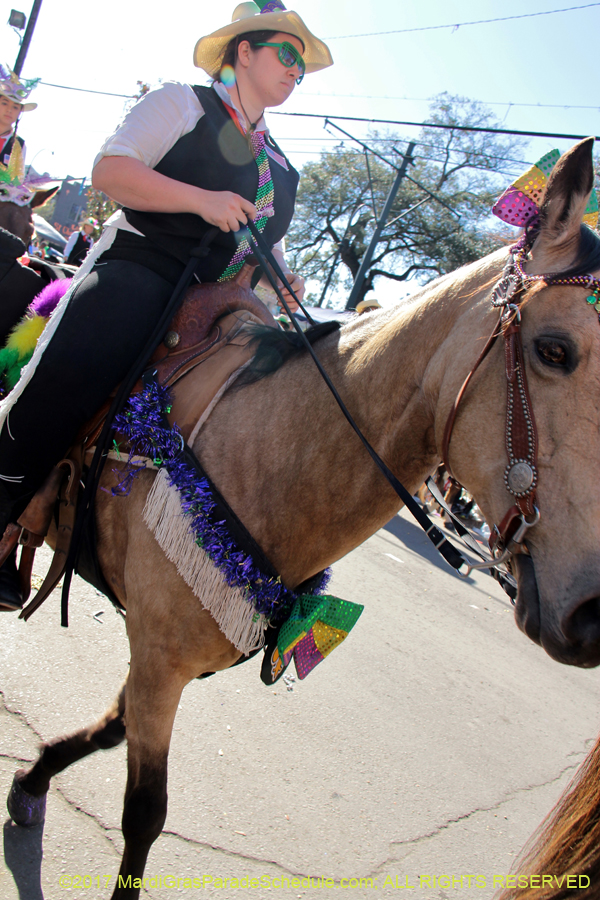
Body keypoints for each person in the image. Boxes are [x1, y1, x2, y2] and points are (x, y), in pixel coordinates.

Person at [0, 0, 333, 610]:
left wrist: (283, 280)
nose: (296, 70)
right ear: (244, 52)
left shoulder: (283, 167)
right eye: (287, 54)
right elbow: (110, 172)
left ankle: (249, 603)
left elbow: (269, 245)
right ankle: (6, 501)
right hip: (145, 269)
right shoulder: (181, 103)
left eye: (302, 65)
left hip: (227, 308)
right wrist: (200, 200)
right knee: (88, 351)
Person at [0, 64, 38, 166]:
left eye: (15, 107)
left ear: (20, 111)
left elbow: (16, 180)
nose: (9, 110)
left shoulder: (19, 146)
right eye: (4, 103)